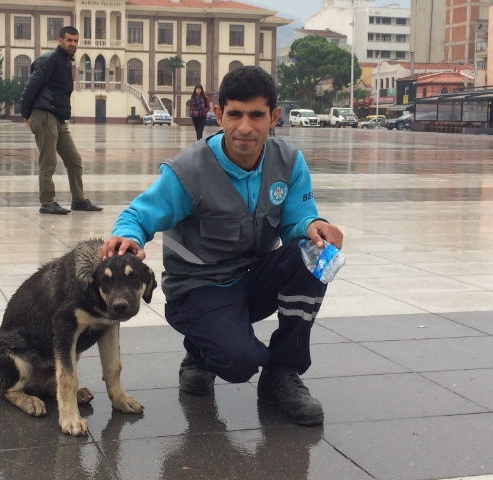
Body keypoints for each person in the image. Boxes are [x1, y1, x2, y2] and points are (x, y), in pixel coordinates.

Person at [100, 66, 343, 426]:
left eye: (257, 115)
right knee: (239, 362)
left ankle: (282, 374)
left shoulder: (288, 162)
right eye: (235, 114)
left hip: (250, 279)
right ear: (218, 115)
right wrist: (128, 236)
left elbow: (297, 222)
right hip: (199, 288)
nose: (245, 127)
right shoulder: (190, 170)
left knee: (315, 253)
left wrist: (315, 226)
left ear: (274, 117)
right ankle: (199, 350)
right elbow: (139, 215)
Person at [20, 26, 102, 215]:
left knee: (74, 160)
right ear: (60, 40)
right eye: (69, 40)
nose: (73, 44)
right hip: (44, 114)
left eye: (75, 40)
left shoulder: (65, 61)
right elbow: (31, 86)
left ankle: (79, 200)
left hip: (58, 117)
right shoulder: (49, 60)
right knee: (48, 161)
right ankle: (47, 202)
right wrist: (26, 113)